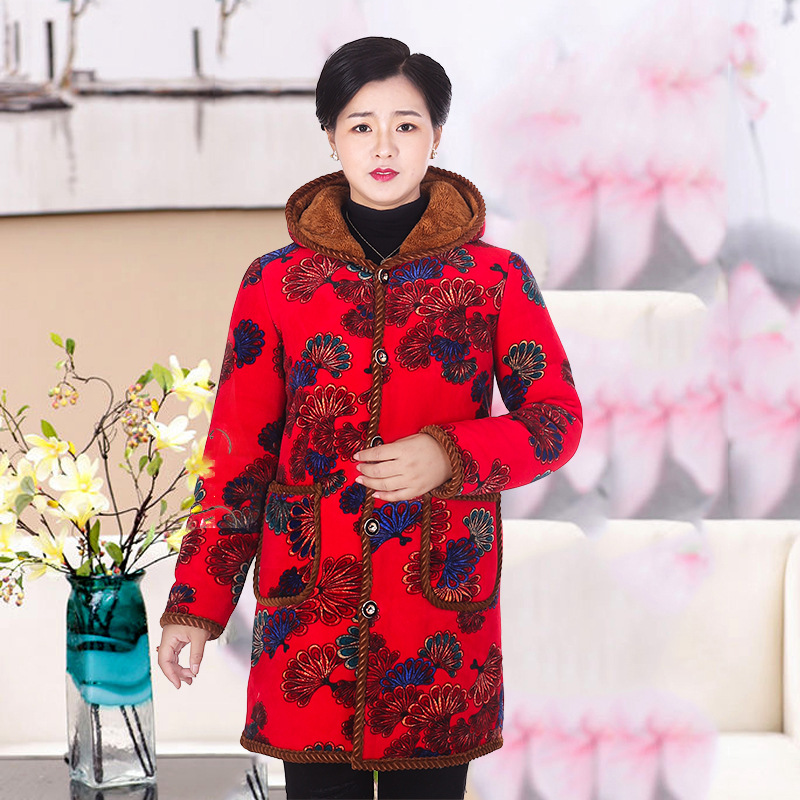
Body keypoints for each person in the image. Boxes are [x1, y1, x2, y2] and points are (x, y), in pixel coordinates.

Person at [157, 35, 583, 800]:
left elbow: (555, 420)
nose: (383, 146)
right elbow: (237, 455)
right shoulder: (275, 282)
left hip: (439, 626)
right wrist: (196, 603)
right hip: (309, 618)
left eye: (406, 124)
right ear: (331, 136)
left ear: (436, 136)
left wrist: (449, 452)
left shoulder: (494, 278)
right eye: (361, 125)